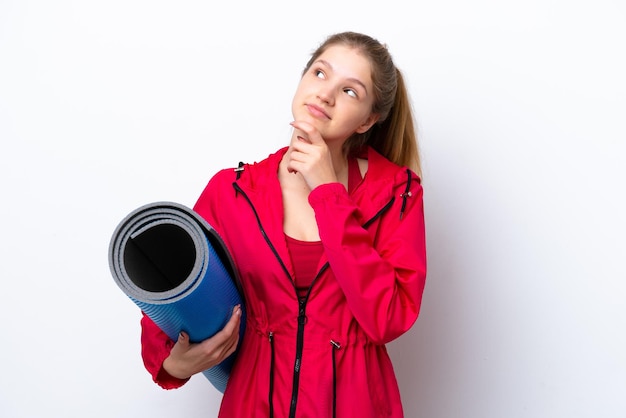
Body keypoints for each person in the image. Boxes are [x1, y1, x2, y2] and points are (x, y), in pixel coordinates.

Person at [140, 31, 427, 417]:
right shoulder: (233, 191)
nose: (325, 94)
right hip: (252, 403)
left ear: (368, 121)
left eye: (350, 92)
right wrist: (171, 363)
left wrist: (327, 192)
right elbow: (171, 292)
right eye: (320, 73)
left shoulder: (397, 194)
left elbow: (387, 318)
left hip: (358, 404)